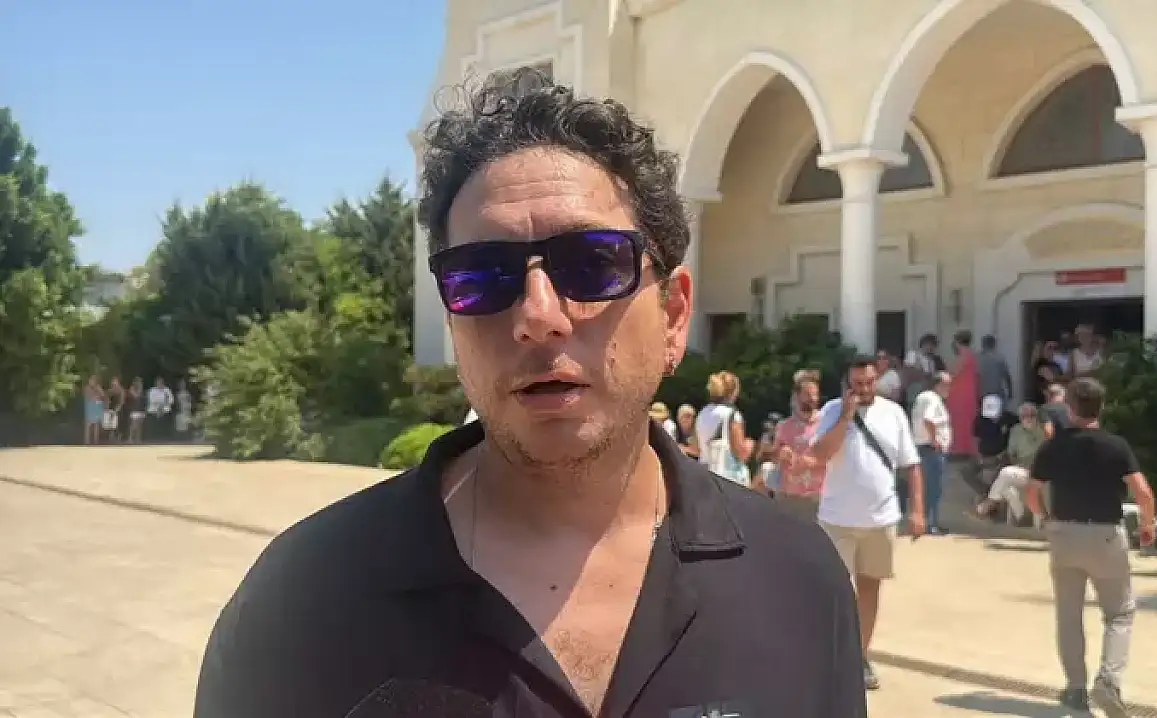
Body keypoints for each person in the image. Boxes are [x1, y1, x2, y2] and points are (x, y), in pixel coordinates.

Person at [195, 67, 866, 718]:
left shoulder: (799, 580)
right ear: (452, 321)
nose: (538, 315)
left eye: (593, 264)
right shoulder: (305, 599)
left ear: (673, 314)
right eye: (483, 276)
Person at [1025, 378, 1156, 717]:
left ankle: (1075, 688)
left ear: (1069, 407)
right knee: (1119, 613)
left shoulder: (1053, 446)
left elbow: (1031, 492)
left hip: (1065, 534)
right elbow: (1142, 492)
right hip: (1105, 536)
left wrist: (1045, 518)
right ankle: (1108, 680)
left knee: (1068, 615)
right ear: (1102, 406)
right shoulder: (1115, 445)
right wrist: (1148, 524)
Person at [809, 355, 925, 691]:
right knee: (833, 590)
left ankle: (860, 656)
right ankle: (832, 656)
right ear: (847, 384)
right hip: (837, 519)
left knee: (870, 588)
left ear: (877, 380)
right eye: (857, 384)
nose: (863, 389)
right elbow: (820, 454)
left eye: (869, 382)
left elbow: (911, 465)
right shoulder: (832, 411)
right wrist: (846, 417)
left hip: (880, 517)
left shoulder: (894, 413)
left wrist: (917, 510)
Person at [975, 402, 1044, 522]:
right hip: (1020, 470)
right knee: (1006, 486)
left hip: (1037, 472)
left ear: (1036, 417)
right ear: (1020, 418)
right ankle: (1020, 516)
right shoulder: (1016, 431)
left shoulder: (1042, 431)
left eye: (1031, 415)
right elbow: (1011, 453)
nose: (1028, 419)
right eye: (1024, 416)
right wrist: (1016, 463)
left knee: (1005, 473)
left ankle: (988, 505)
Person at [773, 372, 826, 520]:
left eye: (815, 395)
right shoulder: (784, 426)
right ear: (797, 396)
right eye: (808, 394)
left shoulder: (826, 424)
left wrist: (813, 461)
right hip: (790, 496)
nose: (813, 399)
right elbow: (775, 455)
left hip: (818, 496)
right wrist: (781, 453)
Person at [695, 370, 754, 486]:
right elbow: (740, 453)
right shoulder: (731, 415)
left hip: (705, 475)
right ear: (733, 392)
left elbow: (697, 448)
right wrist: (750, 444)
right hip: (727, 479)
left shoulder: (703, 413)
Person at [910, 371, 952, 534]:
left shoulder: (923, 397)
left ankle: (928, 522)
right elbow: (928, 420)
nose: (949, 388)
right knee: (933, 488)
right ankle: (930, 524)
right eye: (946, 385)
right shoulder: (933, 399)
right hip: (931, 449)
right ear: (937, 385)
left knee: (928, 487)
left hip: (924, 447)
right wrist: (935, 440)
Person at [945, 331, 978, 457]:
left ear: (958, 342)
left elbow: (953, 372)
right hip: (967, 393)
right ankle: (965, 448)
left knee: (959, 421)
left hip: (960, 395)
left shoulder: (964, 355)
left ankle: (959, 448)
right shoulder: (971, 355)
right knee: (966, 421)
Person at [976, 334, 1012, 405]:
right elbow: (1007, 377)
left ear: (983, 344)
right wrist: (1010, 392)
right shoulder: (1000, 358)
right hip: (996, 394)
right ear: (994, 344)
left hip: (981, 395)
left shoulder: (976, 358)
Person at [83, 376, 105, 445]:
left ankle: (96, 442)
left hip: (96, 409)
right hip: (89, 409)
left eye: (93, 381)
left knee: (96, 425)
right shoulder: (87, 388)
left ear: (95, 382)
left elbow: (103, 395)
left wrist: (99, 389)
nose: (91, 382)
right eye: (90, 381)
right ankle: (87, 442)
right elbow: (89, 397)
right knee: (88, 425)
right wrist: (96, 397)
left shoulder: (98, 388)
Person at [125, 377, 145, 444]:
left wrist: (140, 389)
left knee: (139, 426)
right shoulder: (132, 389)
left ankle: (138, 439)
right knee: (133, 425)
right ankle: (130, 439)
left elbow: (142, 398)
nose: (139, 383)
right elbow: (136, 396)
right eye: (138, 381)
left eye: (140, 381)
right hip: (134, 409)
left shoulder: (141, 390)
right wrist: (139, 389)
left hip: (141, 409)